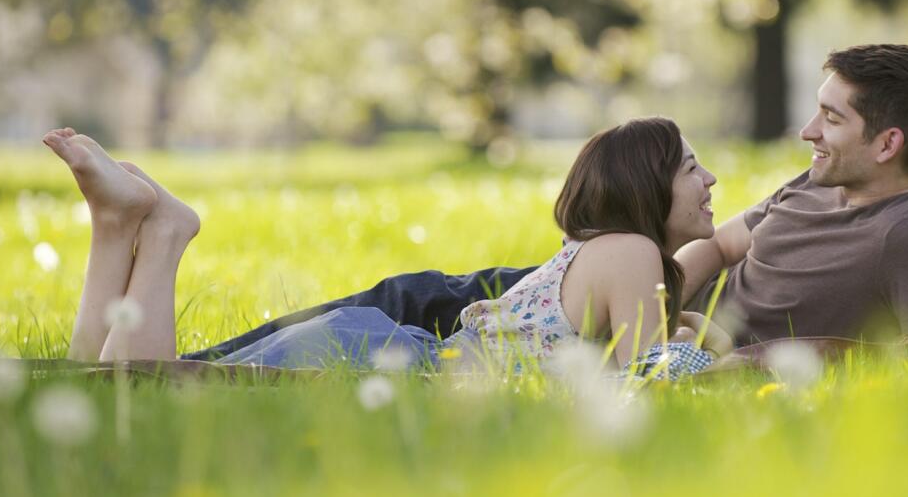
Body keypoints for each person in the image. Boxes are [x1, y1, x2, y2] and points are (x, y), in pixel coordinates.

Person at [186, 43, 908, 361]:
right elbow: (721, 249)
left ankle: (188, 372)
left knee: (402, 316)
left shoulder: (906, 231)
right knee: (405, 297)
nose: (806, 130)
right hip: (631, 294)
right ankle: (201, 367)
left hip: (614, 310)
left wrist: (741, 352)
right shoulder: (811, 187)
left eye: (831, 117)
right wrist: (668, 292)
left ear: (888, 145)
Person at [45, 117, 735, 377]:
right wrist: (719, 349)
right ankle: (161, 235)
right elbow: (647, 382)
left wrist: (687, 320)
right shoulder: (632, 253)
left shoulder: (607, 252)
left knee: (115, 390)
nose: (709, 180)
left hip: (377, 345)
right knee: (144, 389)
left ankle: (118, 231)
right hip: (386, 355)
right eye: (690, 166)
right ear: (648, 185)